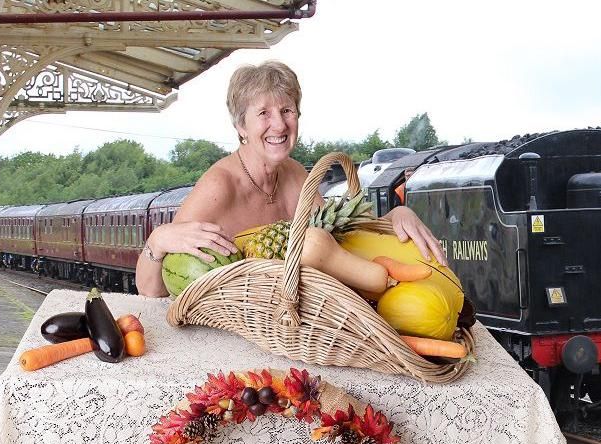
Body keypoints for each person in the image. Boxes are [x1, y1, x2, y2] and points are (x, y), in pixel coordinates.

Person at [136, 61, 447, 297]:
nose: (279, 125)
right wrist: (158, 240)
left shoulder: (298, 176)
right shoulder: (220, 185)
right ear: (241, 126)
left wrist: (394, 216)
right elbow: (152, 289)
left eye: (287, 110)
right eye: (264, 114)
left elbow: (340, 245)